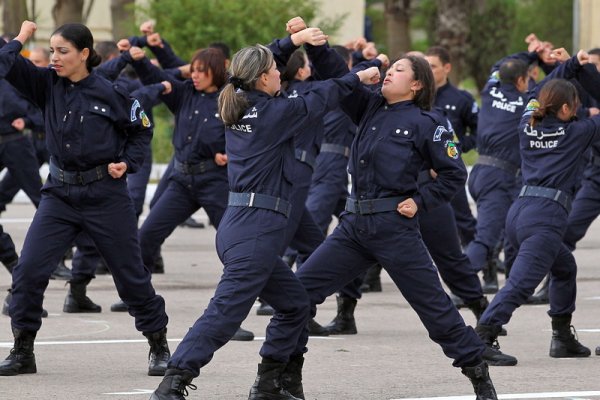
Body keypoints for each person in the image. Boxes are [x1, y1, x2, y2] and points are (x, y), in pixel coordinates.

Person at [149, 35, 382, 398]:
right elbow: (322, 96)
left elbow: (257, 62)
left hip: (242, 225)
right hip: (255, 228)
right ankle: (174, 381)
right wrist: (358, 77)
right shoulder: (275, 113)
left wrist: (291, 42)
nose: (279, 73)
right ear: (263, 79)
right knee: (225, 313)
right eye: (275, 70)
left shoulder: (238, 96)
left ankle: (269, 383)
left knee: (294, 305)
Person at [261, 54, 498, 399]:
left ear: (416, 84)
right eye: (391, 68)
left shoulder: (429, 122)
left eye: (399, 70)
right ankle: (278, 378)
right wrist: (318, 45)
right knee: (297, 295)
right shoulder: (368, 107)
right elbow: (338, 74)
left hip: (394, 229)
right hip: (353, 227)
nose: (389, 74)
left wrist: (420, 201)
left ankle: (479, 375)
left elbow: (453, 174)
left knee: (435, 309)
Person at [0, 21, 170, 377]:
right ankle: (23, 348)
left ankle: (158, 344)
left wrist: (128, 162)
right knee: (28, 272)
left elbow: (140, 131)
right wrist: (20, 38)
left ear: (85, 54)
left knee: (130, 276)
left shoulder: (114, 92)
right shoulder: (45, 84)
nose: (54, 58)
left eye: (63, 52)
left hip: (105, 196)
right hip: (59, 196)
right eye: (52, 51)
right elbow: (4, 63)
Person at [475, 48, 597, 366]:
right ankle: (481, 338)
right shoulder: (579, 133)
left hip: (519, 212)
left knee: (564, 268)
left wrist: (568, 66)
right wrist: (581, 68)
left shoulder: (527, 123)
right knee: (520, 284)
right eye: (577, 106)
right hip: (546, 216)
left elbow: (532, 92)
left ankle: (562, 337)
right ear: (568, 108)